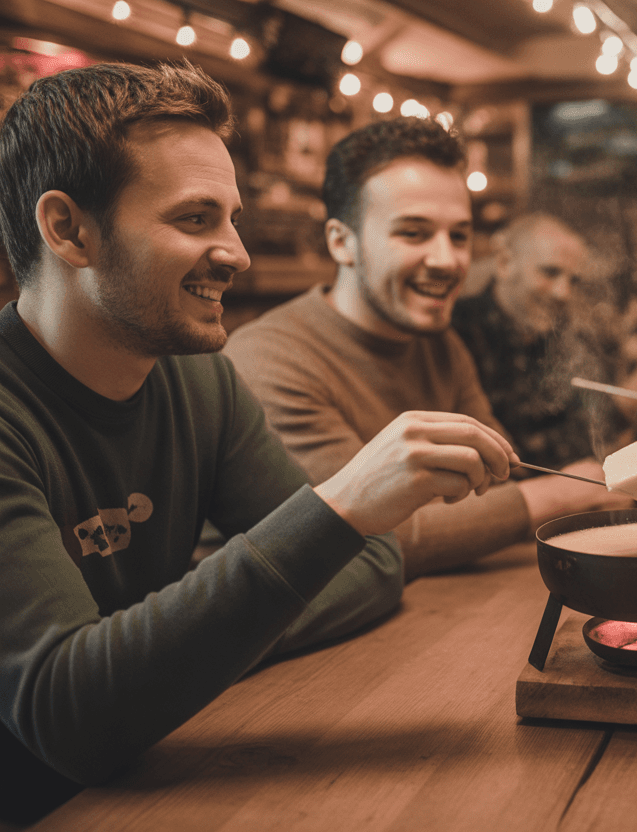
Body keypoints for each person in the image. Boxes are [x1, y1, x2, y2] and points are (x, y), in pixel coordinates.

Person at [0, 63, 515, 822]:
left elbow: (374, 569)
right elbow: (70, 719)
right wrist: (337, 507)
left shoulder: (198, 381)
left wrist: (171, 652)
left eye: (233, 218)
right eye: (196, 219)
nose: (237, 252)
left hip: (166, 777)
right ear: (69, 229)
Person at [226, 123, 630, 582]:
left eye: (459, 236)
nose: (447, 260)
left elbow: (499, 481)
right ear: (341, 242)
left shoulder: (441, 345)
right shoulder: (271, 360)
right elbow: (360, 537)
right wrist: (559, 497)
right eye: (414, 233)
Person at [452, 213, 637, 467]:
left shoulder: (568, 335)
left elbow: (592, 420)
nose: (563, 293)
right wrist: (619, 409)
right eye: (550, 272)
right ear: (505, 263)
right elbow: (509, 459)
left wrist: (633, 399)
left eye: (573, 280)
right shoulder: (459, 332)